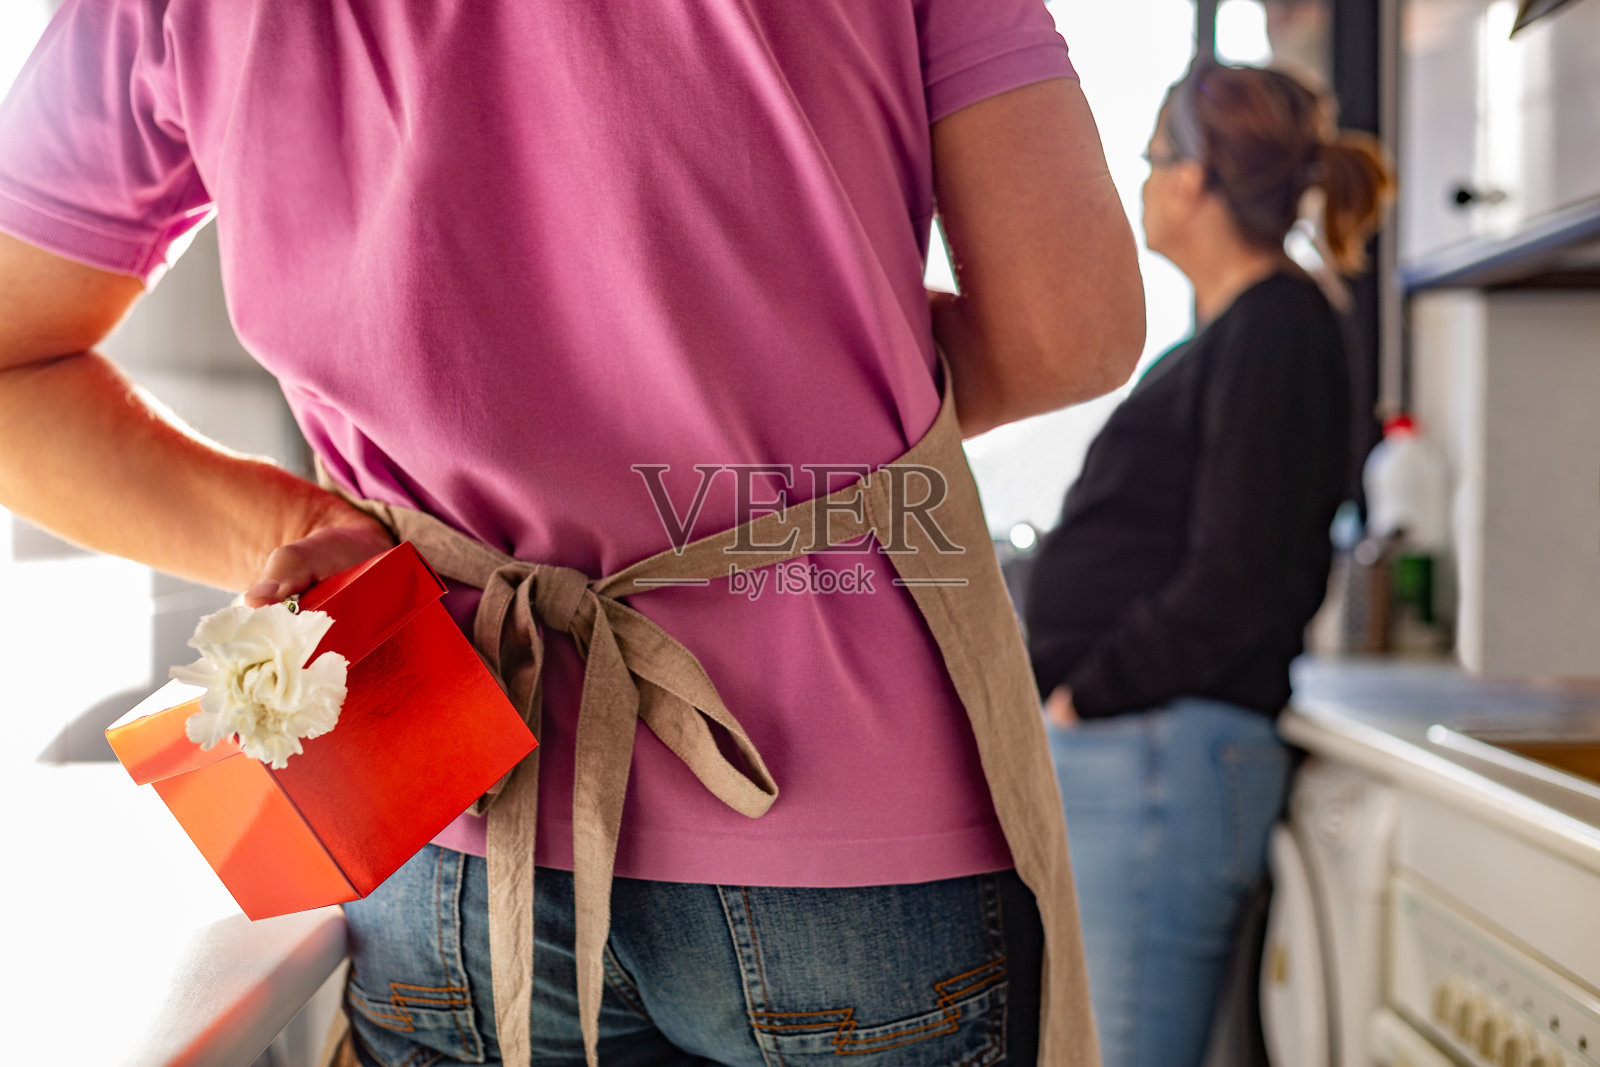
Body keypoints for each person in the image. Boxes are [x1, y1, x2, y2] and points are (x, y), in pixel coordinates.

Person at [0, 1, 1144, 1065]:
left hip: (445, 819)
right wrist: (829, 372)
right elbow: (1068, 328)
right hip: (852, 837)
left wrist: (300, 523)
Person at [1022, 63, 1395, 1067]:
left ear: (1198, 179)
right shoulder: (1243, 329)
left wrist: (1087, 693)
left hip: (1157, 744)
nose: (1141, 184)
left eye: (1152, 160)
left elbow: (1239, 575)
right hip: (1146, 744)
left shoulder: (1274, 328)